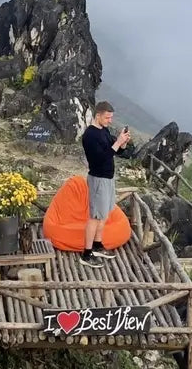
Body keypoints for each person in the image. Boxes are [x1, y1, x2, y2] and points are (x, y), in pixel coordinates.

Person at [79, 101, 130, 268]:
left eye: (111, 117)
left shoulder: (105, 130)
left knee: (104, 214)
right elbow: (99, 159)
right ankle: (86, 254)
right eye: (107, 117)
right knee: (95, 217)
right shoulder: (90, 135)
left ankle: (97, 245)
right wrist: (117, 144)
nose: (109, 120)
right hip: (98, 179)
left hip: (108, 178)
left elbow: (114, 151)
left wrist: (122, 143)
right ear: (98, 115)